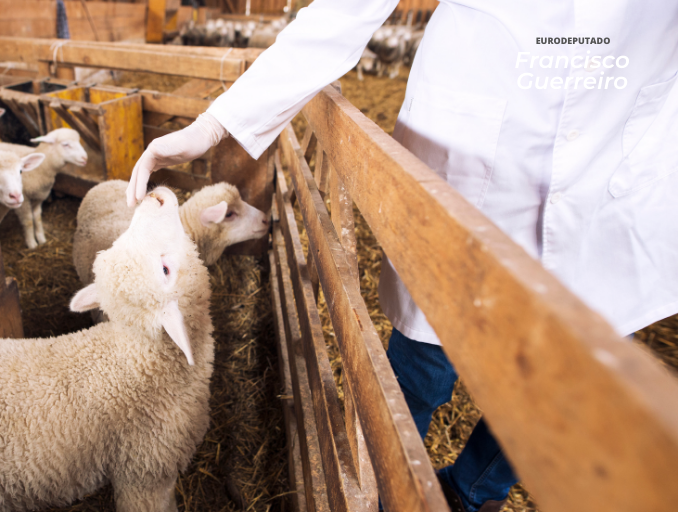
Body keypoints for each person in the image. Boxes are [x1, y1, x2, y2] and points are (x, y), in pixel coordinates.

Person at [125, 1, 678, 511]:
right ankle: (385, 490)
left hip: (618, 171)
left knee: (564, 389)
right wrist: (215, 123)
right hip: (469, 168)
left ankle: (471, 492)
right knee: (421, 370)